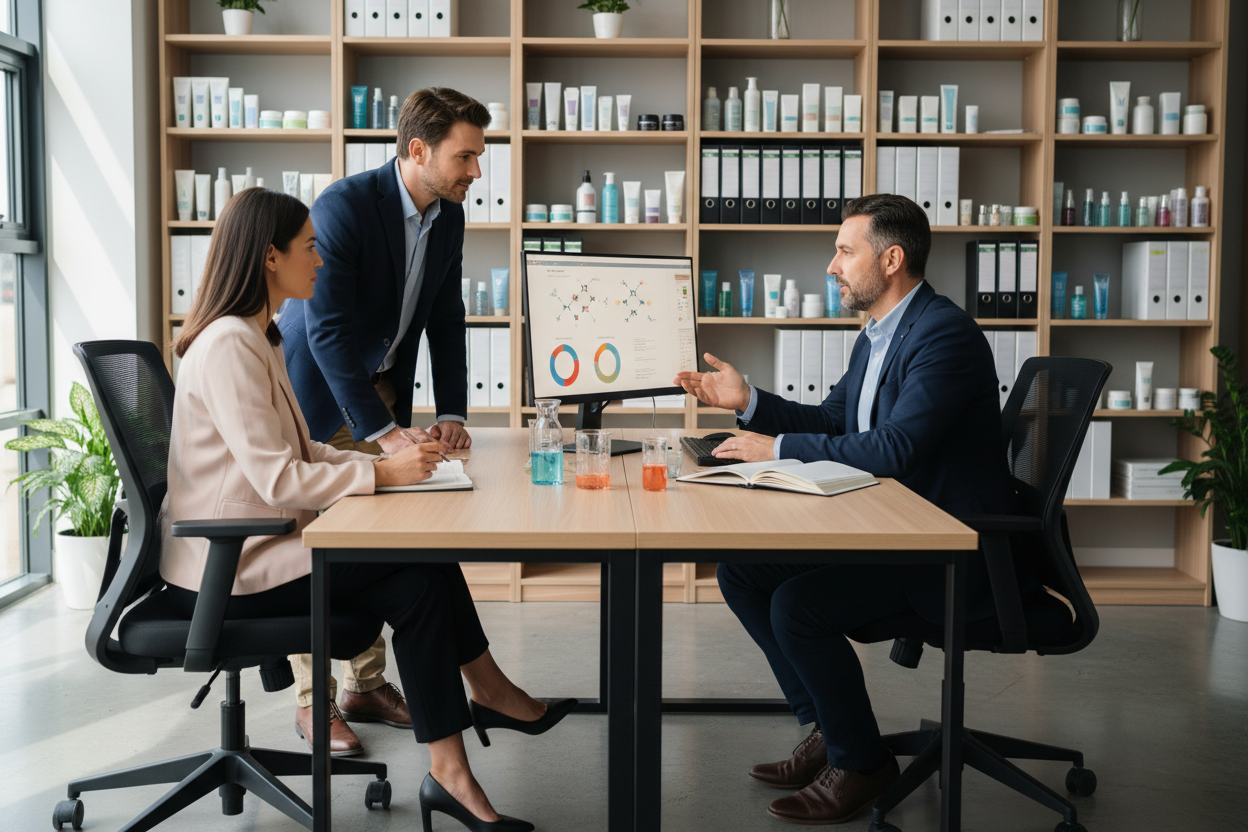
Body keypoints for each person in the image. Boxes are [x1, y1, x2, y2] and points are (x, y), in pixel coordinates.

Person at [164, 187, 573, 831]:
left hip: (260, 546)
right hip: (232, 567)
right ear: (270, 258)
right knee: (419, 570)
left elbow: (306, 450)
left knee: (419, 576)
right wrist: (381, 472)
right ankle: (482, 704)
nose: (321, 261)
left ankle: (452, 767)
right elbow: (277, 479)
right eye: (309, 248)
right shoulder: (229, 347)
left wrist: (394, 466)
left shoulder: (257, 338)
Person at [673, 193, 1021, 825]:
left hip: (947, 548)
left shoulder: (945, 334)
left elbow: (896, 447)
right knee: (743, 571)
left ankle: (862, 762)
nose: (831, 266)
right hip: (891, 524)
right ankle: (827, 731)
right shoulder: (879, 334)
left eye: (844, 250)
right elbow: (837, 421)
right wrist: (748, 399)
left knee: (796, 605)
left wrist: (774, 447)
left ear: (890, 259)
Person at [278, 87, 485, 754]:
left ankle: (364, 685)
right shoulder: (344, 207)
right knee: (325, 539)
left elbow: (446, 318)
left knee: (382, 531)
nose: (475, 172)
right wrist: (388, 434)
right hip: (319, 391)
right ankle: (315, 704)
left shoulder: (447, 215)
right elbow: (329, 331)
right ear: (417, 150)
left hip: (383, 388)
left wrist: (449, 410)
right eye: (466, 156)